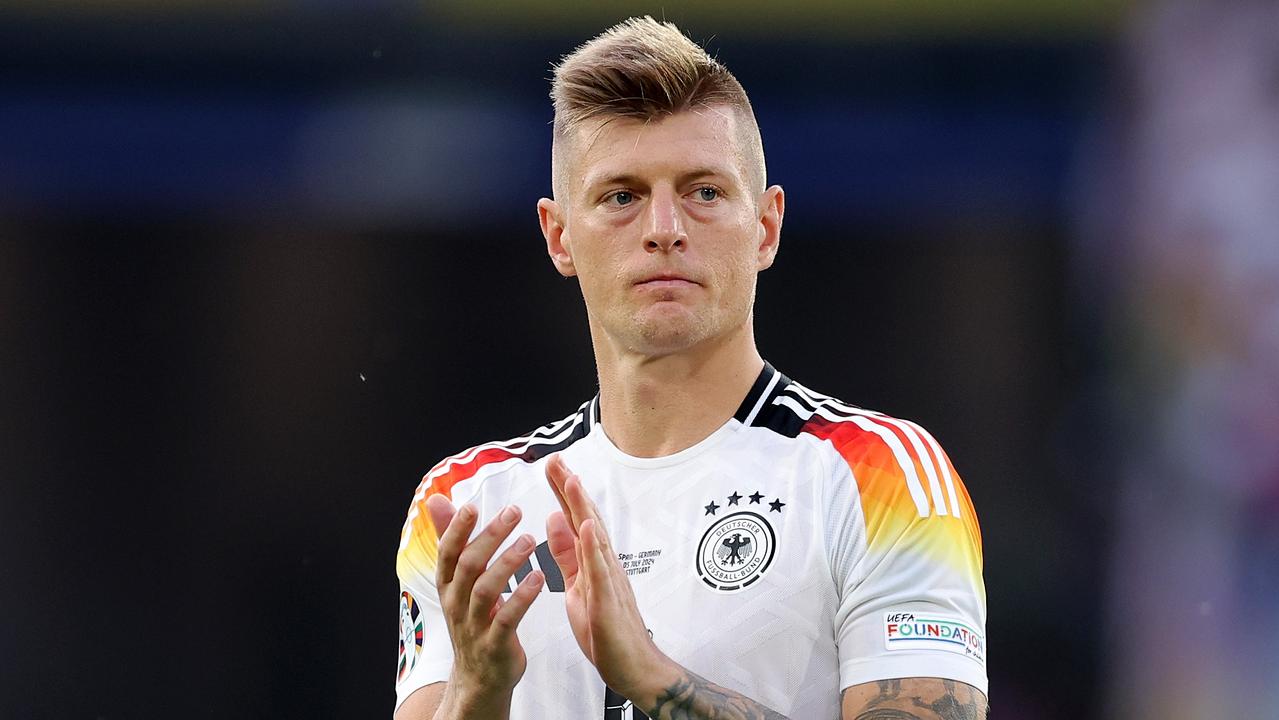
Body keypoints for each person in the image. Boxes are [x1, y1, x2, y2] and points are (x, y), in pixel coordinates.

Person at [394, 16, 987, 720]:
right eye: (622, 196)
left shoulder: (877, 475)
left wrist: (653, 678)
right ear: (559, 237)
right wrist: (478, 692)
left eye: (704, 192)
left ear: (765, 227)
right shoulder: (469, 502)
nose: (663, 228)